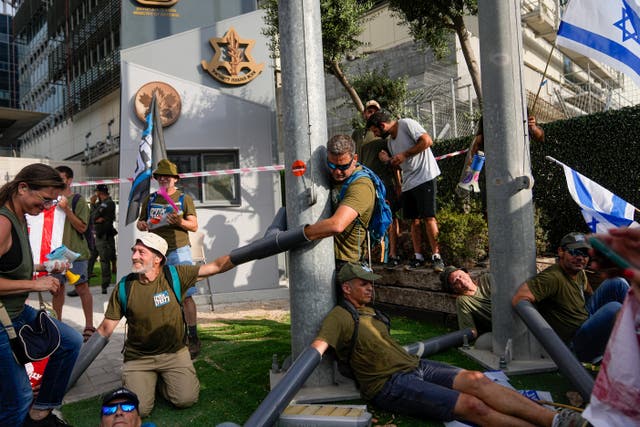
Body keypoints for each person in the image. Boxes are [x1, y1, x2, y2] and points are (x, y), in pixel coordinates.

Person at [310, 262, 583, 426]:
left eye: (371, 283)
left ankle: (554, 420)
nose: (371, 288)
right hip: (388, 384)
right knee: (475, 407)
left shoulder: (373, 312)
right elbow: (318, 348)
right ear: (346, 288)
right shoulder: (340, 316)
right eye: (363, 284)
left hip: (416, 365)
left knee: (479, 380)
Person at [95, 232, 235, 417]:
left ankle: (161, 381)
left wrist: (251, 252)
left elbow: (216, 266)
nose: (134, 256)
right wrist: (82, 356)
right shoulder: (125, 286)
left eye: (141, 252)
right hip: (139, 358)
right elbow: (106, 328)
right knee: (140, 410)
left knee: (186, 399)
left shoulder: (175, 275)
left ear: (158, 258)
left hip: (174, 353)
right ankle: (149, 379)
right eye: (134, 251)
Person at [0, 163, 83, 427]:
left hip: (14, 311)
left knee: (69, 340)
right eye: (45, 199)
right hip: (2, 319)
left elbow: (10, 265)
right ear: (23, 187)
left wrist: (44, 267)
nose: (47, 207)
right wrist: (35, 285)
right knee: (18, 397)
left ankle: (42, 409)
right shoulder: (3, 222)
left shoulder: (21, 215)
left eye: (52, 201)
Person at [512, 232, 629, 363]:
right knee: (614, 308)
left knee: (617, 282)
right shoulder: (552, 278)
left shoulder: (578, 272)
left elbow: (588, 292)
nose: (580, 258)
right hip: (576, 343)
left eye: (585, 254)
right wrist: (546, 336)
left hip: (585, 318)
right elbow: (519, 298)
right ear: (561, 251)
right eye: (574, 252)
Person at [136, 159, 201, 359]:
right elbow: (140, 222)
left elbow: (194, 225)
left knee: (186, 295)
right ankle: (168, 334)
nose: (163, 178)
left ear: (174, 179)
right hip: (155, 253)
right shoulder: (151, 198)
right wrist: (143, 224)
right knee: (159, 294)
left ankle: (193, 337)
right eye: (160, 176)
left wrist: (180, 221)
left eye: (167, 176)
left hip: (179, 250)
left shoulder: (183, 198)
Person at [367, 110, 445, 272]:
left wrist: (404, 154)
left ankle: (437, 256)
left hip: (425, 175)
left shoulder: (406, 124)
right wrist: (388, 162)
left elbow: (427, 141)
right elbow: (397, 164)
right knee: (413, 220)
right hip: (408, 182)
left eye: (375, 131)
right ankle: (418, 256)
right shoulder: (390, 143)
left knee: (429, 217)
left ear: (382, 125)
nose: (375, 135)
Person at [303, 135, 375, 268]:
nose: (336, 172)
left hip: (349, 263)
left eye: (343, 166)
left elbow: (337, 225)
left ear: (355, 159)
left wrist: (298, 235)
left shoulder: (361, 185)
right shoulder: (331, 177)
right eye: (331, 165)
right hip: (328, 258)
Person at [353, 100, 402, 268]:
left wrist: (398, 184)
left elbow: (395, 161)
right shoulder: (358, 134)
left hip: (385, 182)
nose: (371, 113)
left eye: (375, 110)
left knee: (390, 218)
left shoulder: (387, 133)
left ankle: (393, 254)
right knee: (364, 218)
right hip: (365, 182)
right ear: (364, 113)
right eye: (369, 110)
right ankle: (365, 256)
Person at [54, 165, 96, 342]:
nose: (56, 181)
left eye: (60, 178)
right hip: (56, 254)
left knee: (82, 288)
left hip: (76, 253)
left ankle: (89, 326)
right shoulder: (49, 200)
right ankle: (57, 325)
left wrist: (66, 209)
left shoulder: (78, 200)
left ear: (69, 180)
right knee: (56, 289)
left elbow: (82, 227)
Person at [440, 266, 492, 337]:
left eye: (461, 276)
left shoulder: (486, 279)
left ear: (467, 274)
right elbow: (469, 332)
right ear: (454, 289)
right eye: (456, 282)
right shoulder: (463, 301)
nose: (461, 281)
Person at [92, 184, 117, 295]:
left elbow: (94, 216)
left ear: (100, 192)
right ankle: (83, 283)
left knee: (104, 260)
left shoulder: (108, 203)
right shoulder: (99, 204)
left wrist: (94, 208)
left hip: (104, 235)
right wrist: (94, 208)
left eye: (97, 192)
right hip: (98, 234)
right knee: (91, 258)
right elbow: (92, 217)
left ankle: (105, 285)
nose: (95, 194)